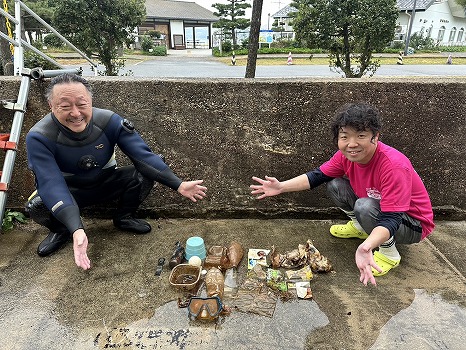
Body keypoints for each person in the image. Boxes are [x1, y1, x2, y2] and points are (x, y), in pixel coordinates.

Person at [25, 73, 207, 270]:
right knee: (36, 206)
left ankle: (124, 217)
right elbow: (50, 183)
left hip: (107, 182)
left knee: (148, 170)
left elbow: (143, 156)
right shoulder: (39, 136)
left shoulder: (108, 121)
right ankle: (64, 230)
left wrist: (178, 184)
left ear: (91, 101)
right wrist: (77, 228)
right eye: (65, 106)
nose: (76, 113)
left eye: (82, 104)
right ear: (51, 106)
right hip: (71, 193)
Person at [250, 102, 435, 286]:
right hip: (380, 211)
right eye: (344, 137)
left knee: (365, 206)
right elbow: (317, 176)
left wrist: (366, 247)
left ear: (375, 137)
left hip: (412, 224)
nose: (352, 144)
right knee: (334, 184)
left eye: (361, 136)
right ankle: (361, 227)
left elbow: (391, 218)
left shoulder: (394, 166)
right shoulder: (345, 156)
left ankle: (389, 253)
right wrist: (281, 186)